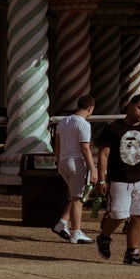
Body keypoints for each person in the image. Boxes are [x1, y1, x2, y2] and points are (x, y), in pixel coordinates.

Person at [94, 94, 140, 266]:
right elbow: (104, 154)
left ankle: (132, 253)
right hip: (119, 179)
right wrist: (101, 179)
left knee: (139, 216)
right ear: (130, 105)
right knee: (118, 216)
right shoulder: (112, 129)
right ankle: (104, 237)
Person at [52, 94, 98, 244]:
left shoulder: (63, 122)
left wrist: (58, 162)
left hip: (63, 161)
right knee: (79, 198)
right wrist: (93, 169)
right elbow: (85, 149)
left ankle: (62, 223)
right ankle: (76, 232)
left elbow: (57, 146)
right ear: (90, 108)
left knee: (75, 194)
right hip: (76, 162)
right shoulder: (84, 124)